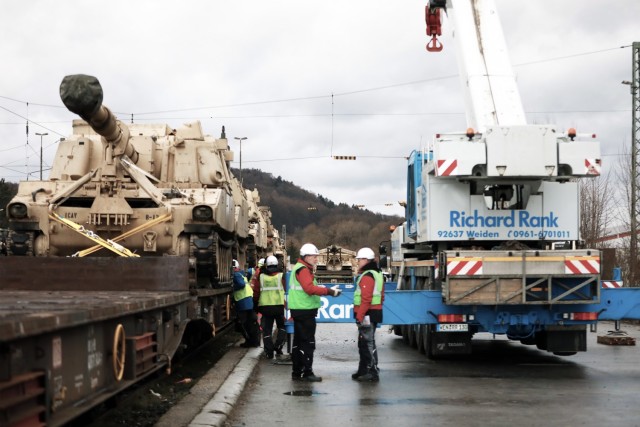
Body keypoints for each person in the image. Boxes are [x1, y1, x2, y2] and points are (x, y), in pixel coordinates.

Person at [289, 243, 342, 382]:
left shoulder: (300, 268)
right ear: (306, 256)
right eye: (314, 256)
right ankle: (307, 372)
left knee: (299, 342)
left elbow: (308, 287)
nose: (316, 259)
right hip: (305, 311)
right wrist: (329, 291)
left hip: (300, 310)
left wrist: (324, 288)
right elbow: (309, 289)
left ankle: (297, 372)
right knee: (307, 343)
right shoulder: (303, 270)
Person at [352, 247, 384, 382]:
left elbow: (366, 298)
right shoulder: (377, 273)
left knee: (366, 343)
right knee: (366, 342)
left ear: (365, 260)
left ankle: (370, 371)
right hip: (373, 312)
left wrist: (360, 315)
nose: (358, 262)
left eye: (359, 259)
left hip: (367, 314)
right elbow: (381, 295)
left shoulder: (367, 276)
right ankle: (363, 370)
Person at [255, 255, 286, 359]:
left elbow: (256, 292)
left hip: (265, 307)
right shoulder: (282, 276)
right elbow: (287, 291)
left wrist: (256, 306)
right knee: (282, 327)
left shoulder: (261, 276)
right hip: (279, 306)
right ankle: (278, 346)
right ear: (277, 264)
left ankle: (269, 352)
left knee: (267, 330)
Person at [232, 259, 260, 347]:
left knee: (243, 323)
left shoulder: (236, 274)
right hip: (248, 301)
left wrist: (233, 288)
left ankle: (249, 341)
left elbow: (241, 285)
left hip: (242, 302)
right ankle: (255, 341)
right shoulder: (242, 274)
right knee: (251, 322)